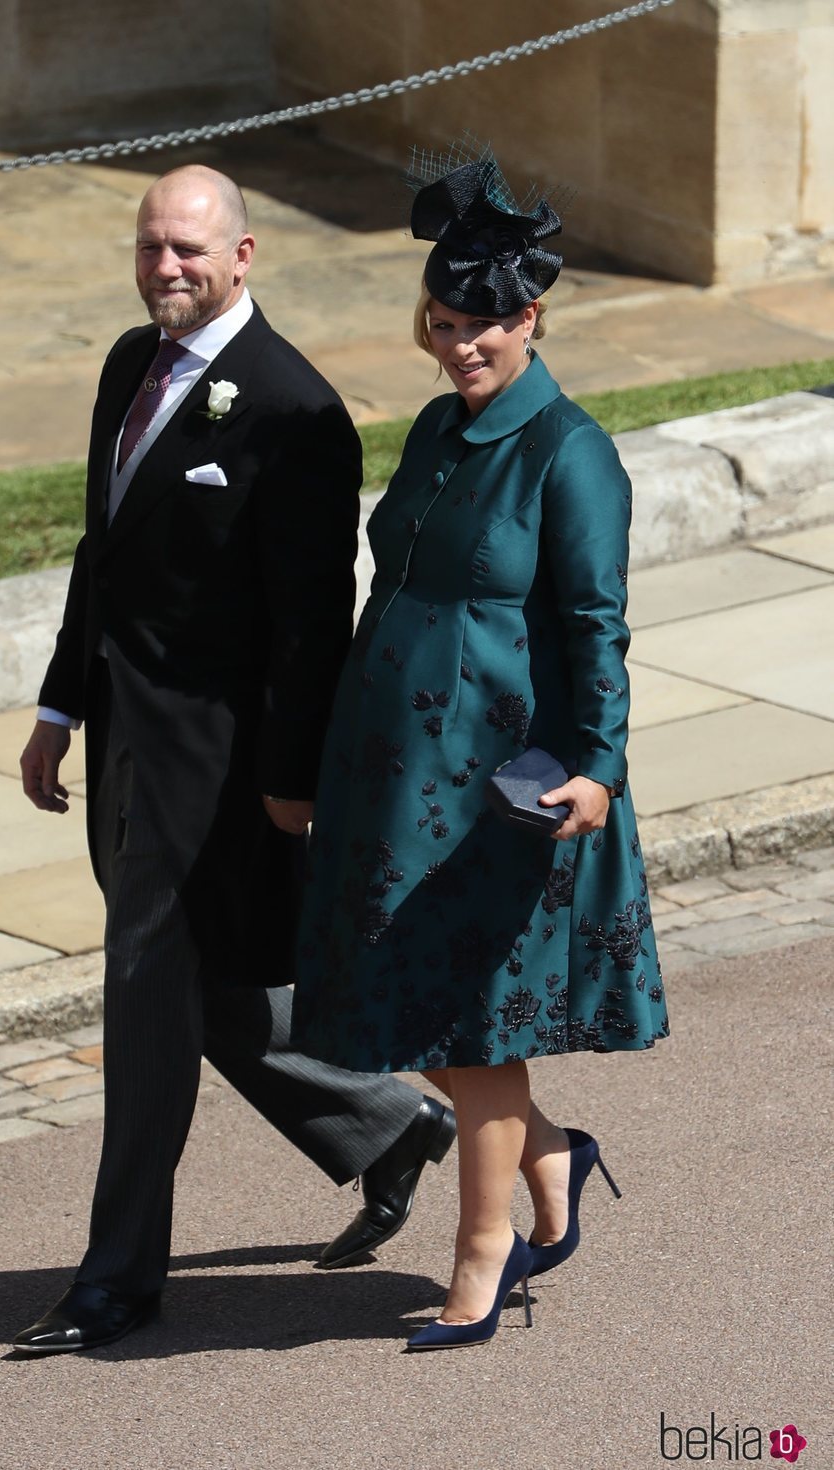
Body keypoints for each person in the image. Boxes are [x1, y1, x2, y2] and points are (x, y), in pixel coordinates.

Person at [14, 164, 454, 1355]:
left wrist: (287, 779)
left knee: (147, 1005)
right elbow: (99, 555)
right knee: (202, 991)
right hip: (117, 739)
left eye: (190, 251)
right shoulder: (125, 364)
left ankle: (116, 1279)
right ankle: (385, 1123)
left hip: (212, 775)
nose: (167, 267)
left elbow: (313, 618)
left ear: (245, 256)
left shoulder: (292, 411)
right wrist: (59, 705)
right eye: (151, 247)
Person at [290, 142, 669, 1351]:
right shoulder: (431, 431)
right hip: (390, 774)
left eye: (485, 326)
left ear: (532, 318)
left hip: (499, 787)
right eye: (445, 322)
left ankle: (480, 1251)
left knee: (475, 1027)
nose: (462, 345)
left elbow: (597, 630)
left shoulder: (572, 455)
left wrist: (596, 768)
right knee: (399, 1002)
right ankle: (552, 1155)